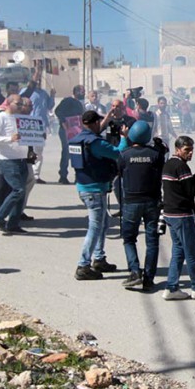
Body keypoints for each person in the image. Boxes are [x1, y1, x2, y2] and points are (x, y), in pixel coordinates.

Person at [161, 136, 195, 300]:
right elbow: (189, 190)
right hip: (181, 216)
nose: (190, 153)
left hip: (170, 214)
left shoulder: (169, 164)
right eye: (187, 150)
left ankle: (171, 287)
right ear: (178, 150)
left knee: (178, 251)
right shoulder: (181, 166)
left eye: (192, 149)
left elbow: (182, 186)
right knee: (192, 253)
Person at [69, 110, 121, 280]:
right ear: (94, 123)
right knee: (95, 227)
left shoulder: (78, 139)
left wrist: (107, 119)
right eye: (99, 122)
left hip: (85, 187)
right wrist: (126, 137)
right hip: (94, 189)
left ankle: (99, 259)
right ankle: (83, 265)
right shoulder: (95, 143)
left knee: (104, 223)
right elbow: (117, 152)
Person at [117, 120, 167, 292]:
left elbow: (119, 172)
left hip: (131, 201)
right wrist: (160, 148)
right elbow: (162, 167)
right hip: (152, 202)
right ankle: (148, 279)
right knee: (152, 241)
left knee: (129, 238)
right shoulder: (155, 155)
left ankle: (134, 271)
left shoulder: (125, 154)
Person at [0, 95, 31, 234]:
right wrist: (9, 139)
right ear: (9, 103)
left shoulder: (20, 118)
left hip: (22, 158)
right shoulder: (0, 118)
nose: (21, 106)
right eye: (18, 103)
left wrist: (37, 137)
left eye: (22, 104)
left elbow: (27, 135)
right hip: (8, 160)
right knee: (18, 190)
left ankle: (13, 223)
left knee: (21, 193)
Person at [54, 85, 86, 184]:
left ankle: (78, 176)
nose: (83, 93)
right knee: (66, 152)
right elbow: (58, 111)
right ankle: (63, 175)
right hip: (66, 130)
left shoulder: (80, 104)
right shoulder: (68, 100)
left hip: (77, 131)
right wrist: (64, 123)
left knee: (77, 152)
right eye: (81, 92)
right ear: (75, 92)